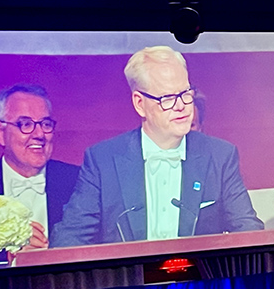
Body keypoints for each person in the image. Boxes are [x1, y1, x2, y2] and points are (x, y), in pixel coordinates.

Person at [54, 47, 262, 246]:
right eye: (168, 98)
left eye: (185, 93)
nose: (181, 105)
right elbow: (70, 238)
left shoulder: (220, 156)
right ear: (139, 103)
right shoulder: (102, 161)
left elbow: (248, 229)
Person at [0, 84, 80, 269]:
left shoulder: (80, 181)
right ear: (0, 131)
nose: (39, 134)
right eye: (25, 124)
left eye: (45, 124)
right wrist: (10, 256)